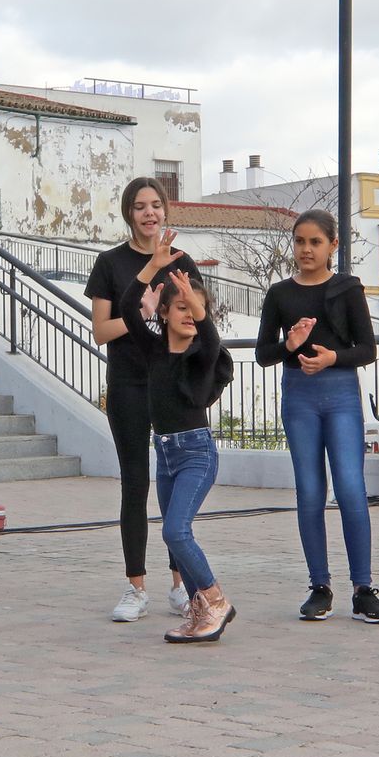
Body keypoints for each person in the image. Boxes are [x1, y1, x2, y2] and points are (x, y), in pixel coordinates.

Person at [254, 209, 379, 624]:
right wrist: (290, 345)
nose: (306, 249)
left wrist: (333, 357)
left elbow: (367, 349)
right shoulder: (279, 293)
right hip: (299, 398)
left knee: (350, 486)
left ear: (333, 245)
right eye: (300, 241)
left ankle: (363, 588)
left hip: (341, 396)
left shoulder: (347, 288)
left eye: (315, 242)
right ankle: (320, 586)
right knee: (310, 490)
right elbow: (263, 355)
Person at [85, 178, 201, 622]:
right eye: (140, 207)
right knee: (136, 483)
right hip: (129, 385)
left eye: (155, 205)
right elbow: (101, 331)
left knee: (175, 487)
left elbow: (196, 317)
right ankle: (136, 587)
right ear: (128, 213)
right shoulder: (110, 263)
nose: (149, 214)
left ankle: (180, 583)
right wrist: (143, 313)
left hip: (172, 386)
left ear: (165, 210)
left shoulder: (183, 261)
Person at [118, 246, 234, 642]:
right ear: (164, 313)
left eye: (196, 309)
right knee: (177, 535)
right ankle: (200, 612)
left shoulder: (202, 355)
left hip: (196, 453)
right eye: (180, 307)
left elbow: (213, 336)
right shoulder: (153, 351)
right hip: (165, 453)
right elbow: (127, 305)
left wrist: (195, 304)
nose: (188, 313)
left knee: (175, 531)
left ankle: (215, 600)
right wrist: (153, 267)